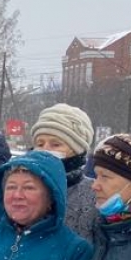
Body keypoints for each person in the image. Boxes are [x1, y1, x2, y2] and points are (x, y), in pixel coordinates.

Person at [30, 102, 96, 238]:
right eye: (40, 144)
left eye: (56, 144)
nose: (45, 149)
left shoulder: (93, 194)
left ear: (76, 150)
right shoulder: (16, 188)